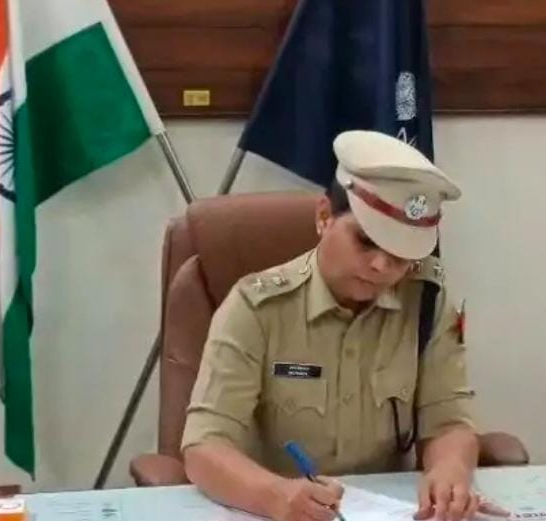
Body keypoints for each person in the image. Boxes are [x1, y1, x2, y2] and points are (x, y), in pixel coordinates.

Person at [181, 130, 498, 521]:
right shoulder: (257, 307)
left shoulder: (426, 303)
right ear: (323, 217)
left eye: (400, 255)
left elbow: (448, 421)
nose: (381, 266)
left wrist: (449, 471)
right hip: (275, 511)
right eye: (365, 241)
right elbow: (205, 445)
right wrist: (275, 496)